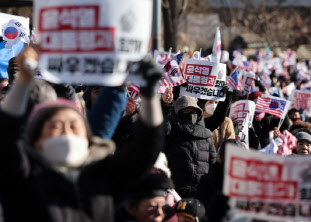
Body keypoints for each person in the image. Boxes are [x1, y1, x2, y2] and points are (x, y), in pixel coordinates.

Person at [0, 47, 164, 222]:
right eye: (55, 125)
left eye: (73, 125)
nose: (66, 131)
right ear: (37, 139)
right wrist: (23, 81)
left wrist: (149, 94)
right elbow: (6, 134)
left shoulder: (103, 176)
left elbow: (146, 148)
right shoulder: (24, 176)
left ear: (87, 136)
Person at [163, 95, 216, 198]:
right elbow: (163, 128)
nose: (191, 114)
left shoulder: (207, 136)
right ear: (178, 113)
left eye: (194, 111)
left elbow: (212, 165)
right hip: (175, 192)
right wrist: (167, 106)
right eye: (186, 110)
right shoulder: (171, 133)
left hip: (200, 193)